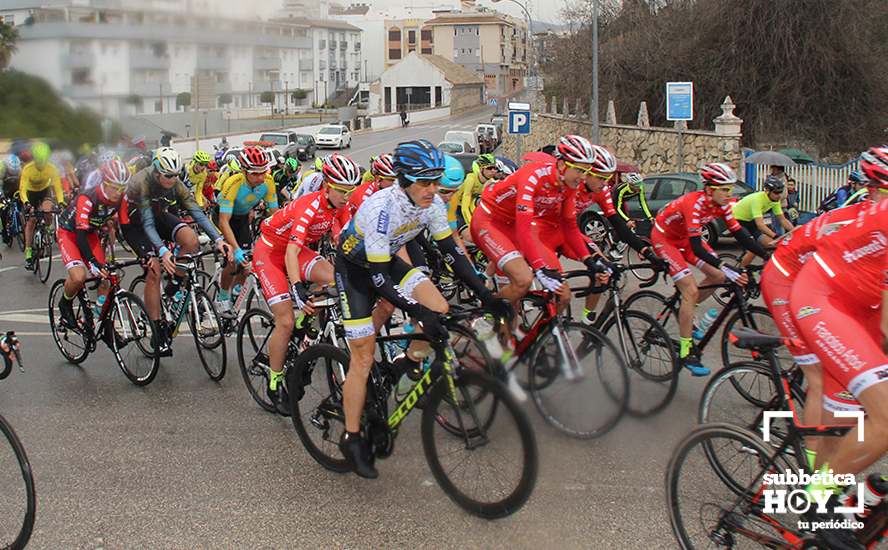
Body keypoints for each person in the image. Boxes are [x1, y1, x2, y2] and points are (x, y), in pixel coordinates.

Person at [335, 140, 512, 478]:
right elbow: (379, 281)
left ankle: (408, 360)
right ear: (403, 180)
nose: (434, 190)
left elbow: (452, 253)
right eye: (425, 182)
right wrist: (419, 313)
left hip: (388, 260)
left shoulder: (429, 203)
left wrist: (486, 295)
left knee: (440, 306)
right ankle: (351, 436)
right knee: (363, 357)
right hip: (356, 271)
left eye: (436, 181)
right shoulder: (380, 209)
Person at [785, 147, 888, 550]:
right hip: (821, 298)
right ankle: (819, 502)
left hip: (854, 304)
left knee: (857, 416)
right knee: (884, 416)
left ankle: (857, 497)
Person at [253, 154, 359, 415]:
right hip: (270, 252)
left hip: (297, 251)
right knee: (286, 321)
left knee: (336, 280)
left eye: (350, 191)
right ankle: (275, 380)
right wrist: (299, 289)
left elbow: (350, 239)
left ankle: (306, 328)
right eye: (342, 191)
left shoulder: (340, 205)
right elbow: (290, 252)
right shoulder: (308, 206)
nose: (347, 197)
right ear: (327, 185)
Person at [471, 135, 611, 319]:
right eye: (579, 170)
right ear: (562, 165)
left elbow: (570, 228)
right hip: (489, 221)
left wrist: (590, 261)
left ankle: (532, 341)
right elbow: (524, 228)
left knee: (516, 311)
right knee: (523, 280)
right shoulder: (534, 176)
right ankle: (484, 317)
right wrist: (539, 268)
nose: (583, 177)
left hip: (512, 225)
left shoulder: (569, 185)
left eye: (587, 171)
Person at [650, 162, 770, 376]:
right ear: (709, 189)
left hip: (686, 239)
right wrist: (727, 265)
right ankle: (687, 351)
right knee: (692, 289)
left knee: (718, 276)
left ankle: (685, 308)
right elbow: (698, 247)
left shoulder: (722, 204)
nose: (729, 194)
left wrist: (767, 256)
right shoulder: (693, 203)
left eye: (730, 189)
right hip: (665, 239)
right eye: (725, 189)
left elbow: (740, 234)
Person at [120, 147, 232, 356]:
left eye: (175, 175)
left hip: (158, 215)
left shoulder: (176, 184)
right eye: (167, 176)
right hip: (135, 224)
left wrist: (218, 239)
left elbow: (196, 213)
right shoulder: (142, 181)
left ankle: (173, 284)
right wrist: (162, 251)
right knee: (153, 271)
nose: (172, 180)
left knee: (190, 240)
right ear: (156, 172)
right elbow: (146, 223)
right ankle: (156, 331)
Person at [56, 160, 131, 332]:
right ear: (105, 183)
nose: (118, 192)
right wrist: (91, 261)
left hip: (90, 234)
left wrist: (143, 253)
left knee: (106, 279)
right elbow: (80, 235)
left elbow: (127, 229)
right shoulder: (88, 198)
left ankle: (103, 326)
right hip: (70, 234)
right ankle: (65, 303)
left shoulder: (121, 199)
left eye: (122, 188)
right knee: (78, 277)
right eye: (114, 187)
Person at [213, 146, 280, 317]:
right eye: (255, 173)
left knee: (246, 266)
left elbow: (276, 216)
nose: (261, 177)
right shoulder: (233, 183)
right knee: (232, 261)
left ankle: (234, 298)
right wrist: (234, 248)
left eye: (263, 172)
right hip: (223, 219)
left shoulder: (269, 182)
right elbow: (223, 221)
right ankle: (221, 298)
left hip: (242, 219)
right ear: (243, 170)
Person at [731, 175, 795, 267]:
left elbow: (783, 220)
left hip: (750, 221)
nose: (779, 195)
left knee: (771, 247)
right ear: (767, 191)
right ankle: (739, 275)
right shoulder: (758, 200)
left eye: (781, 192)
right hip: (737, 221)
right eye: (776, 193)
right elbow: (760, 225)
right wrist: (776, 237)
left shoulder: (775, 201)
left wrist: (795, 232)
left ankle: (765, 272)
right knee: (753, 250)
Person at [20, 142, 65, 271]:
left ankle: (46, 230)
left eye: (43, 162)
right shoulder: (28, 169)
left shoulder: (51, 168)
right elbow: (22, 189)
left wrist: (61, 202)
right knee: (31, 221)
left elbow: (58, 187)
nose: (41, 165)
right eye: (39, 162)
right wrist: (27, 203)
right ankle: (29, 254)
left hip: (44, 190)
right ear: (34, 159)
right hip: (31, 193)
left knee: (47, 210)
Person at [449, 153, 497, 245]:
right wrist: (473, 226)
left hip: (471, 209)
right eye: (489, 168)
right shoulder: (470, 180)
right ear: (481, 169)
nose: (493, 171)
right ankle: (450, 247)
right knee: (470, 237)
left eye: (494, 168)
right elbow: (465, 207)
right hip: (456, 208)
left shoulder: (491, 182)